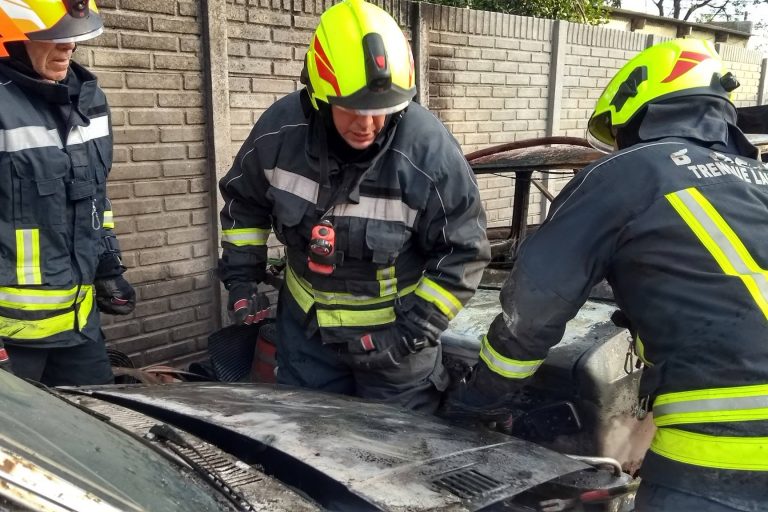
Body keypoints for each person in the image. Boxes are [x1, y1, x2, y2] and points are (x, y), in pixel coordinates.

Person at [441, 38, 768, 511]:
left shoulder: (626, 171)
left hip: (722, 454)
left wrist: (480, 399)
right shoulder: (755, 179)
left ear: (635, 109)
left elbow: (532, 312)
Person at [218, 0, 490, 413]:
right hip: (308, 343)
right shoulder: (279, 133)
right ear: (319, 97)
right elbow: (245, 206)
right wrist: (242, 281)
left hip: (396, 357)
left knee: (395, 457)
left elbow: (463, 254)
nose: (367, 124)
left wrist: (407, 336)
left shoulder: (429, 154)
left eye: (382, 111)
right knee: (307, 448)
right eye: (353, 109)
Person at [0, 0, 135, 385]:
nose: (69, 47)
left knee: (98, 427)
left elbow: (96, 197)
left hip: (80, 327)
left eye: (72, 37)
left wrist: (109, 264)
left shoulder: (89, 99)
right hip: (13, 340)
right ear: (10, 39)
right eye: (54, 37)